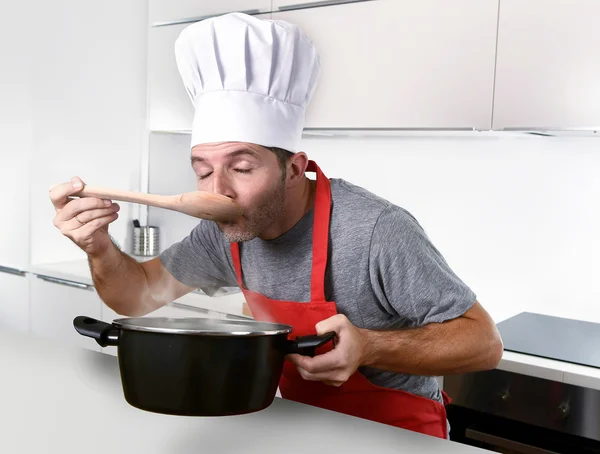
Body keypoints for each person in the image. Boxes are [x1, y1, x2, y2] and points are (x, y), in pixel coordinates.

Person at [49, 12, 502, 440]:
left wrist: (369, 345)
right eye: (203, 169)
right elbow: (136, 295)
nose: (218, 189)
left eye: (242, 167)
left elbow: (483, 341)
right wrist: (99, 248)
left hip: (396, 435)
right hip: (298, 425)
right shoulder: (224, 232)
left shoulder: (373, 231)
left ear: (292, 169)